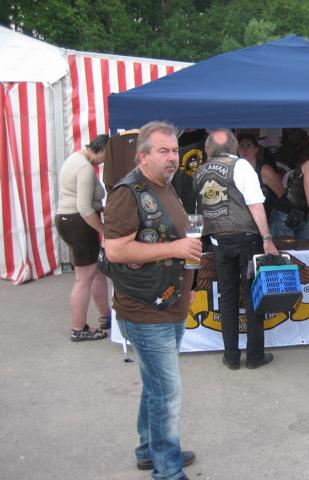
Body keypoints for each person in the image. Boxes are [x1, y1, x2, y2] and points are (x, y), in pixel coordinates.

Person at [104, 121, 201, 480]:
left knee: (155, 386)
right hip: (145, 309)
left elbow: (181, 238)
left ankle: (150, 450)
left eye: (174, 150)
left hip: (170, 302)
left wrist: (190, 285)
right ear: (143, 156)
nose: (172, 157)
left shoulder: (166, 186)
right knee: (167, 391)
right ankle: (167, 469)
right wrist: (175, 248)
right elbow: (115, 250)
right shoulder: (127, 193)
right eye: (163, 151)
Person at [194, 129, 278, 370]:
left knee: (227, 297)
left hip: (218, 241)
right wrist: (267, 238)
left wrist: (196, 242)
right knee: (253, 296)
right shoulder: (241, 166)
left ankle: (231, 356)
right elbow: (255, 203)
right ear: (233, 145)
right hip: (246, 239)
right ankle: (254, 356)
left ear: (209, 148)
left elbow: (196, 210)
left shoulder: (199, 171)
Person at [55, 134, 111, 341]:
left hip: (69, 220)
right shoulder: (84, 168)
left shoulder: (75, 159)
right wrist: (104, 231)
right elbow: (84, 208)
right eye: (106, 156)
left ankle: (106, 317)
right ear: (102, 149)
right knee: (84, 279)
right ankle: (79, 329)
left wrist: (103, 209)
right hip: (79, 223)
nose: (104, 161)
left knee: (97, 272)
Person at [237, 132, 284, 216]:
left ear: (256, 149)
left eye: (248, 145)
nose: (245, 149)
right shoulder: (235, 170)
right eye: (242, 146)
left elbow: (282, 195)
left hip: (266, 217)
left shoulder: (265, 170)